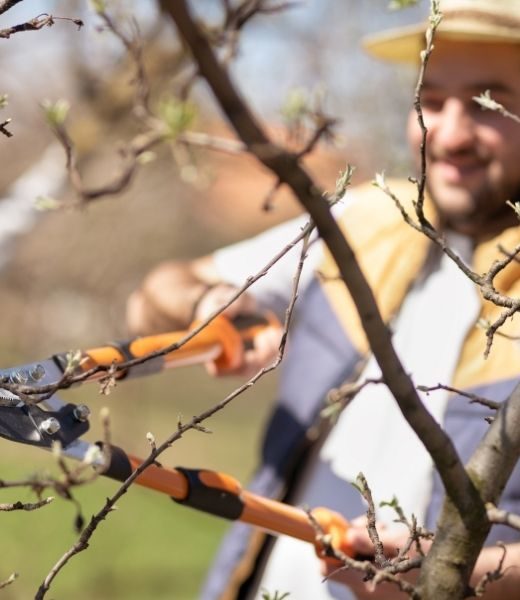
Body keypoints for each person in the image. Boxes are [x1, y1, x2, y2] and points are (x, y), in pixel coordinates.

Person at [126, 1, 520, 598]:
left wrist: (453, 569)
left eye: (490, 101)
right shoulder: (365, 219)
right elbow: (155, 295)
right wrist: (210, 304)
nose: (451, 133)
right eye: (432, 99)